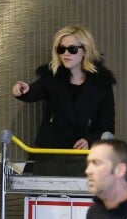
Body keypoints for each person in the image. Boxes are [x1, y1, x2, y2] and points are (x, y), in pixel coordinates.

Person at [11, 25, 116, 176]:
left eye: (72, 49)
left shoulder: (101, 85)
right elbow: (33, 91)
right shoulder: (52, 77)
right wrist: (22, 90)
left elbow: (107, 127)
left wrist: (89, 140)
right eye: (61, 49)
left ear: (85, 50)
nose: (66, 54)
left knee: (78, 198)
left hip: (82, 158)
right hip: (49, 155)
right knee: (38, 198)